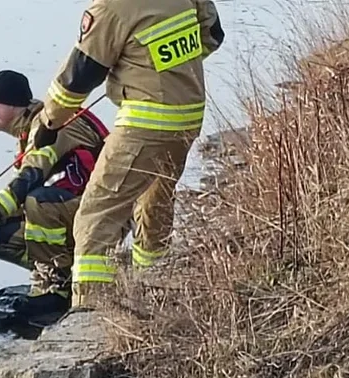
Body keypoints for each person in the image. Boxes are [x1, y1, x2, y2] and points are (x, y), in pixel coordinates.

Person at [40, 0, 224, 310]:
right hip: (189, 116)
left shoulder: (112, 6)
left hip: (145, 124)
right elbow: (212, 36)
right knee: (155, 202)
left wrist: (49, 121)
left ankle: (89, 311)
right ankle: (153, 285)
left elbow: (78, 77)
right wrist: (164, 70)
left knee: (95, 215)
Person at [0, 70, 108, 327]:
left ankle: (55, 290)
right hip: (78, 206)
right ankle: (61, 279)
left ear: (12, 104)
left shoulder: (46, 126)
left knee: (39, 201)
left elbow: (29, 180)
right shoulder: (33, 125)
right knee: (2, 240)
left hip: (101, 210)